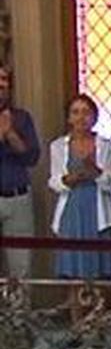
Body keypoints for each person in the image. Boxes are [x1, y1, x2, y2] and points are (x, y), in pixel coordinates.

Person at [48, 94, 111, 286]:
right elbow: (54, 182)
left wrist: (96, 172)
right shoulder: (58, 146)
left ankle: (101, 315)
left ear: (94, 117)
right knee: (73, 273)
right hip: (72, 211)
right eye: (76, 112)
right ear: (69, 118)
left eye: (86, 112)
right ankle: (76, 316)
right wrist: (69, 179)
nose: (81, 117)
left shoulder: (106, 146)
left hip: (99, 213)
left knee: (101, 272)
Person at [0, 64, 40, 277]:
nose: (0, 85)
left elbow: (32, 157)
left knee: (20, 268)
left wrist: (10, 134)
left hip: (18, 199)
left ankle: (18, 311)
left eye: (4, 79)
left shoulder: (22, 118)